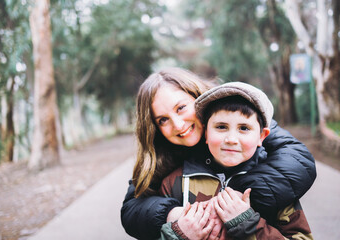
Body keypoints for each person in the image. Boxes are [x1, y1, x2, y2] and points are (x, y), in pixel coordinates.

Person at [121, 67, 316, 239]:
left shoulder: (242, 113)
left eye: (181, 108)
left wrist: (235, 202)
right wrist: (175, 218)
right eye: (163, 120)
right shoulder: (168, 171)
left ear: (198, 97)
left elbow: (297, 159)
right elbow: (133, 209)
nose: (178, 125)